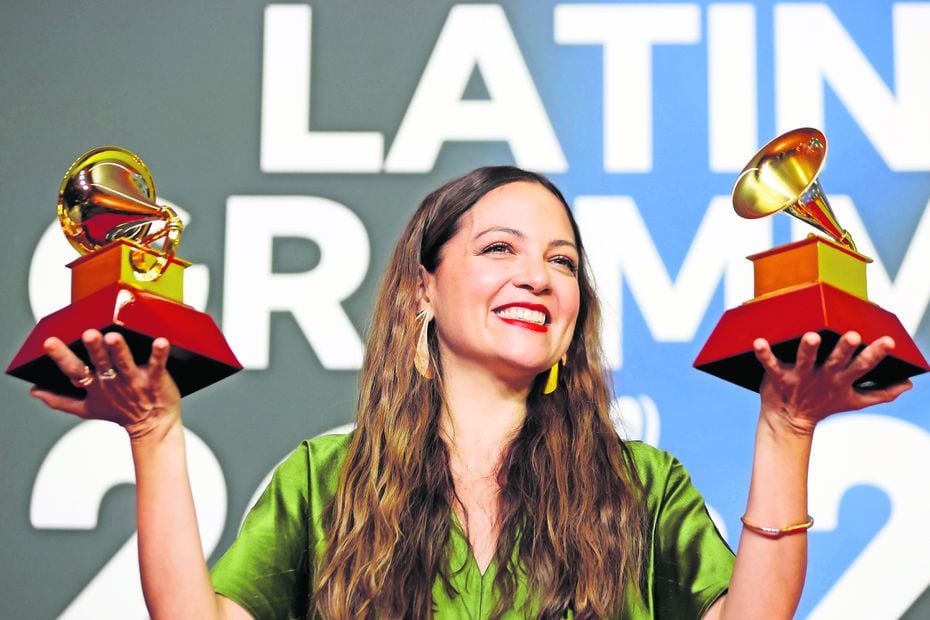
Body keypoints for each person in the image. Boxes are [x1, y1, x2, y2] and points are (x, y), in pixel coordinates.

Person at [31, 166, 911, 619]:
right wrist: (152, 434)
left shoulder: (642, 485)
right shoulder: (324, 478)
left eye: (561, 262)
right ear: (424, 288)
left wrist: (788, 429)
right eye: (499, 249)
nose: (538, 276)